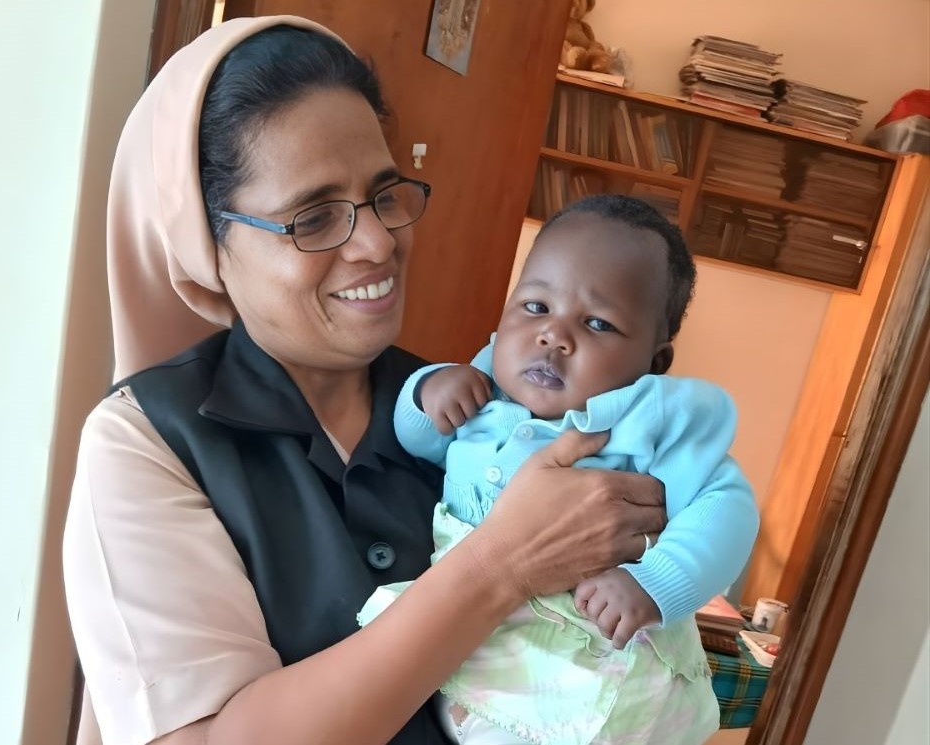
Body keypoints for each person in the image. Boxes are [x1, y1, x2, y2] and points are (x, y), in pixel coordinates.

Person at [62, 17, 670, 745]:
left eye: (385, 195)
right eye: (314, 218)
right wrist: (501, 565)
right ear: (207, 243)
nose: (379, 242)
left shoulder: (467, 407)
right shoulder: (147, 443)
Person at [359, 195, 760, 745]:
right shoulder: (482, 387)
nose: (554, 336)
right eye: (535, 306)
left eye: (597, 323)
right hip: (486, 644)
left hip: (591, 655)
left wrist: (655, 583)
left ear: (654, 362)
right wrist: (427, 392)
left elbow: (727, 507)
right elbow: (420, 441)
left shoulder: (648, 421)